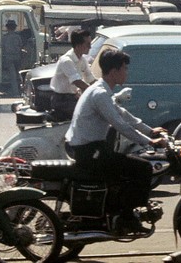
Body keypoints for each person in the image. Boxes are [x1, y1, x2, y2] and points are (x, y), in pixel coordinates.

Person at [65, 49, 167, 234]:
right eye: (124, 69)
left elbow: (125, 116)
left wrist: (151, 131)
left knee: (126, 167)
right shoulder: (100, 94)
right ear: (113, 71)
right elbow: (121, 125)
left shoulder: (103, 90)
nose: (126, 73)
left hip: (93, 148)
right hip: (89, 151)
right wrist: (150, 142)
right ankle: (127, 217)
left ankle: (118, 212)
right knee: (143, 168)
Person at [50, 29, 96, 122]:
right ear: (78, 45)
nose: (90, 47)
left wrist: (103, 87)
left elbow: (90, 78)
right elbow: (77, 81)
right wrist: (92, 91)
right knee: (87, 113)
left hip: (72, 97)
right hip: (62, 100)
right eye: (88, 44)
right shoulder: (66, 60)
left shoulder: (83, 60)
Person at [1, 19, 23, 96]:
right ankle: (21, 90)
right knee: (19, 75)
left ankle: (15, 92)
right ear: (14, 27)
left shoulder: (4, 37)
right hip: (17, 57)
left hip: (8, 58)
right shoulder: (17, 37)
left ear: (7, 28)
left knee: (12, 76)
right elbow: (21, 46)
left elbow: (2, 47)